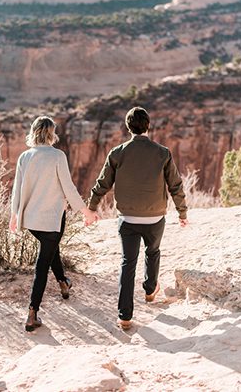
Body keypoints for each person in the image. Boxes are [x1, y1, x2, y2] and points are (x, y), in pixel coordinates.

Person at [87, 106, 188, 331]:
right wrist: (182, 212)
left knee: (127, 263)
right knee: (153, 252)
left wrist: (92, 208)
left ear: (128, 126)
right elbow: (175, 185)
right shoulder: (162, 152)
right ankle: (150, 290)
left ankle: (125, 316)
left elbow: (103, 184)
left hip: (128, 219)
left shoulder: (117, 152)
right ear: (148, 126)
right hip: (155, 218)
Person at [9, 116, 99, 332]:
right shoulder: (57, 156)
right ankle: (32, 313)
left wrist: (14, 215)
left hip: (31, 220)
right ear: (51, 133)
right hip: (52, 218)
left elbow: (17, 188)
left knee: (51, 250)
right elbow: (68, 187)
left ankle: (63, 282)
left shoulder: (25, 156)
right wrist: (86, 211)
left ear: (34, 131)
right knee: (42, 264)